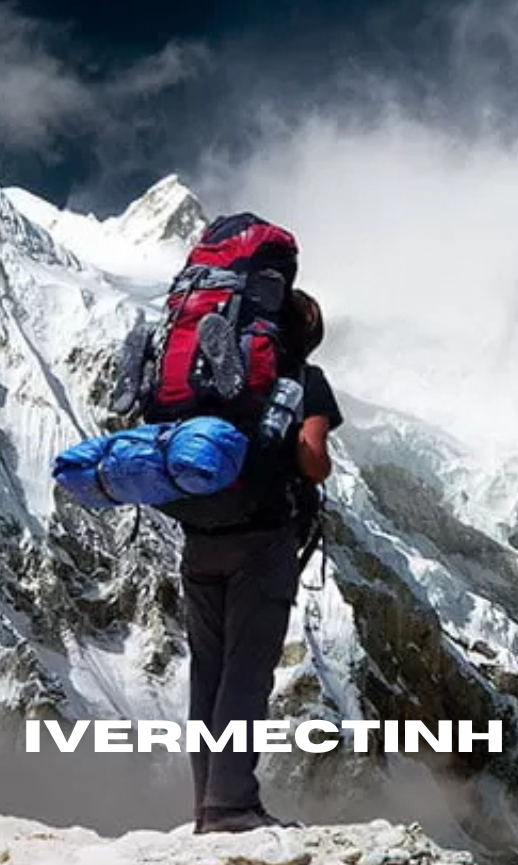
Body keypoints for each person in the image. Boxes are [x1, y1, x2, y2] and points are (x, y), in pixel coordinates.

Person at [182, 290, 342, 834]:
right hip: (263, 542)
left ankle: (207, 804)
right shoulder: (306, 379)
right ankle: (231, 806)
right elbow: (312, 457)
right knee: (246, 675)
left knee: (208, 673)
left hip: (201, 534)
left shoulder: (216, 377)